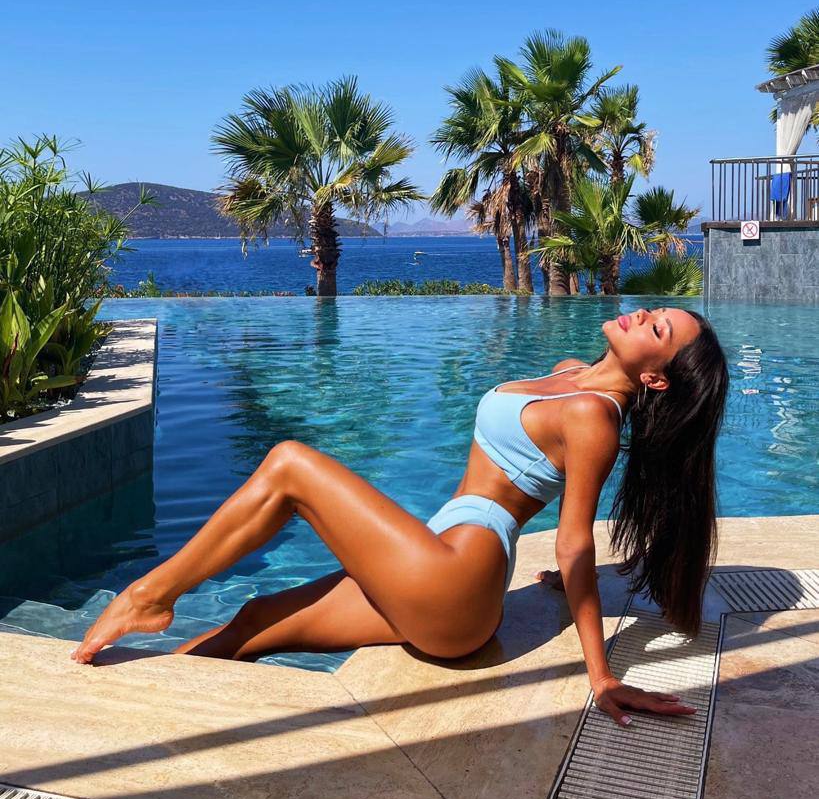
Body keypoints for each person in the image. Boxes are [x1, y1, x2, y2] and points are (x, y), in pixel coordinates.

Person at [71, 306, 728, 728]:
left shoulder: (594, 418)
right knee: (252, 620)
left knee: (290, 464)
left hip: (457, 583)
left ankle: (150, 596)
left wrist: (601, 675)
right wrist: (558, 585)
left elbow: (573, 542)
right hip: (441, 565)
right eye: (655, 314)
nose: (643, 316)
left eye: (657, 331)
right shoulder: (571, 375)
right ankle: (133, 706)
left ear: (656, 380)